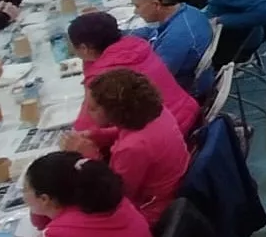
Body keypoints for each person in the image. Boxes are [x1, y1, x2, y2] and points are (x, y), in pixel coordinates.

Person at [59, 69, 190, 225]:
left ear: (114, 112)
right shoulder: (156, 112)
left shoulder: (131, 148)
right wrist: (95, 135)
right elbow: (125, 130)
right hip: (173, 191)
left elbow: (115, 196)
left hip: (151, 213)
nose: (87, 112)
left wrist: (90, 158)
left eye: (93, 108)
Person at [66, 12, 199, 135]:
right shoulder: (136, 46)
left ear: (84, 48)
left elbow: (87, 127)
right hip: (185, 113)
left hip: (169, 132)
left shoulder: (102, 76)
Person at [21, 151, 152, 237]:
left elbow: (42, 225)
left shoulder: (59, 232)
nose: (22, 194)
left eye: (25, 188)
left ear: (44, 198)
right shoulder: (106, 196)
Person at [128, 0, 215, 96]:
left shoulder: (176, 38)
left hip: (183, 91)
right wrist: (120, 35)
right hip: (185, 77)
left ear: (156, 5)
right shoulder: (185, 11)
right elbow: (153, 32)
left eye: (137, 6)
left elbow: (152, 80)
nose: (135, 12)